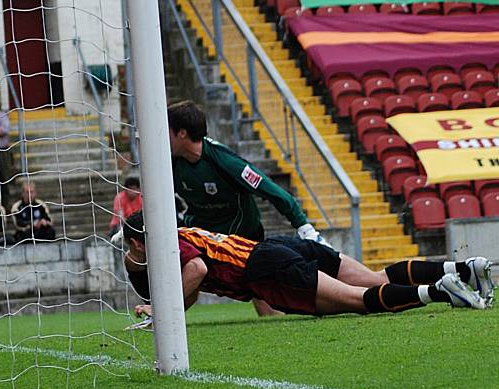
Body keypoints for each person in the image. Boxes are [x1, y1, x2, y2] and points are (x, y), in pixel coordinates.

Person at [122, 212, 494, 319]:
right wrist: (168, 312)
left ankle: (441, 292)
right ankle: (464, 268)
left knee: (360, 299)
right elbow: (192, 290)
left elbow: (197, 272)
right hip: (277, 248)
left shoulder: (174, 246)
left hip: (267, 270)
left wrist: (159, 306)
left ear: (139, 240)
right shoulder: (182, 231)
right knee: (374, 277)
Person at [167, 100, 329, 315]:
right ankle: (162, 319)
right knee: (188, 279)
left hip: (244, 242)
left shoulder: (225, 162)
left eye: (166, 130)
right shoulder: (171, 164)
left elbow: (274, 192)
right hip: (206, 238)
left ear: (182, 133)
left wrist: (305, 229)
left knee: (268, 305)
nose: (162, 137)